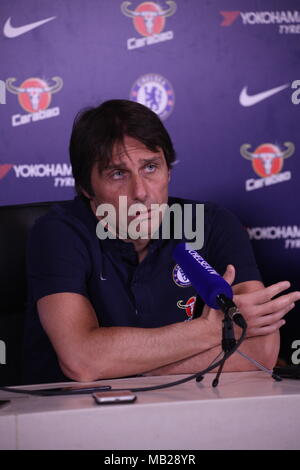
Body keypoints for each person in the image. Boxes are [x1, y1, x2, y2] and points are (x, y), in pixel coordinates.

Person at [22, 99, 300, 385]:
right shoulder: (59, 231)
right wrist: (210, 330)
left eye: (151, 167)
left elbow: (260, 350)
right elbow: (82, 360)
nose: (140, 191)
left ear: (169, 170)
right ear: (86, 188)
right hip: (73, 417)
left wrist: (121, 366)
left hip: (191, 408)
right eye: (118, 173)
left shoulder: (213, 224)